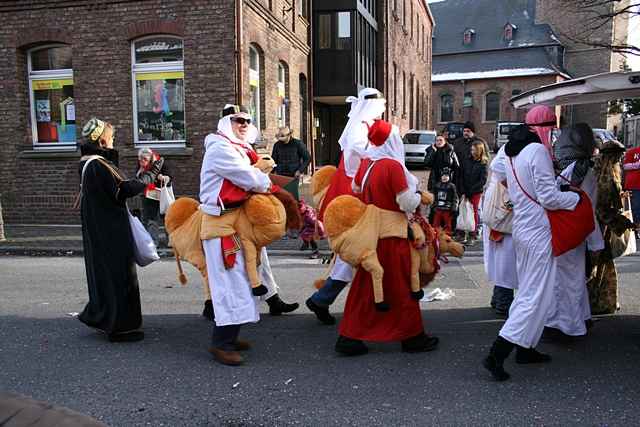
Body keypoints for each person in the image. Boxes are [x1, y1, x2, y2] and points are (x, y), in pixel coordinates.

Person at [482, 107, 581, 382]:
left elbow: (500, 173)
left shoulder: (512, 149)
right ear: (546, 127)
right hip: (539, 231)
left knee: (529, 291)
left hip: (523, 230)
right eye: (553, 128)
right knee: (533, 296)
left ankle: (526, 348)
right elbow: (549, 198)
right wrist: (575, 200)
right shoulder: (537, 151)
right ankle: (496, 354)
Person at [200, 105, 297, 366]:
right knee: (229, 285)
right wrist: (279, 192)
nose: (243, 124)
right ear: (225, 123)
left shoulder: (237, 149)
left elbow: (253, 173)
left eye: (246, 120)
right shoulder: (221, 148)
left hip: (235, 222)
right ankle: (220, 343)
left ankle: (230, 337)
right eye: (237, 120)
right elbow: (247, 177)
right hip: (221, 225)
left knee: (241, 282)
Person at [336, 119, 438, 355]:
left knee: (365, 285)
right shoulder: (392, 166)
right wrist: (418, 193)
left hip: (371, 232)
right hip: (393, 234)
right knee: (403, 284)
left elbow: (356, 190)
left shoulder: (367, 163)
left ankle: (350, 336)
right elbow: (406, 202)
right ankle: (412, 336)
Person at [78, 118, 164, 343]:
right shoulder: (98, 164)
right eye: (112, 137)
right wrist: (152, 172)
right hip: (111, 232)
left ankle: (104, 318)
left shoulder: (88, 163)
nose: (114, 140)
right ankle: (121, 328)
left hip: (100, 230)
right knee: (119, 277)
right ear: (103, 140)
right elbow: (125, 189)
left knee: (104, 276)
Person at [305, 87, 386, 325]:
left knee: (355, 256)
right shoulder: (360, 128)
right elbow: (365, 153)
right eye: (380, 104)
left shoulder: (362, 125)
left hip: (356, 196)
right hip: (354, 199)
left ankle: (324, 299)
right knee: (358, 254)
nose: (382, 109)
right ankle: (362, 307)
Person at [544, 123, 604, 338]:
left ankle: (564, 325)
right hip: (575, 234)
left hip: (568, 232)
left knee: (566, 281)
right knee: (573, 278)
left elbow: (583, 204)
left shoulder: (576, 169)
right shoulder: (582, 168)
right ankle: (579, 319)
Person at [588, 139, 634, 315]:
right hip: (599, 228)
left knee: (602, 266)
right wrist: (622, 222)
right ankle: (597, 304)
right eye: (619, 156)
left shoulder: (601, 170)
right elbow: (602, 208)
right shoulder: (606, 175)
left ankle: (601, 303)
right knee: (597, 266)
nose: (621, 160)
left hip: (601, 227)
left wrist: (621, 195)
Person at [482, 145, 518, 316]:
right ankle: (503, 301)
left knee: (502, 262)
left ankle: (499, 299)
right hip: (503, 217)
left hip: (499, 216)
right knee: (506, 262)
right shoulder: (503, 166)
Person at [452, 121, 488, 239]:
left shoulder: (480, 143)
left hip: (475, 184)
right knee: (461, 207)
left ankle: (475, 230)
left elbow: (484, 165)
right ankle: (461, 230)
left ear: (473, 132)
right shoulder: (458, 143)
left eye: (468, 131)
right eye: (464, 131)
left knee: (475, 209)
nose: (466, 133)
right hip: (461, 179)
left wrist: (473, 188)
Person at [136, 147, 171, 245]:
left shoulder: (160, 163)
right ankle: (153, 244)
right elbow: (138, 180)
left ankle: (170, 244)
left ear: (151, 159)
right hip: (148, 197)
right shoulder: (140, 165)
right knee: (151, 220)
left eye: (145, 159)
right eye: (140, 159)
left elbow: (170, 177)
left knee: (166, 219)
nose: (142, 161)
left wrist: (164, 178)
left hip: (161, 195)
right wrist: (141, 171)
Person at [460, 140, 489, 243]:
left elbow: (483, 180)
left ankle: (473, 233)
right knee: (464, 211)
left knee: (474, 211)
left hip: (476, 191)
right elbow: (462, 175)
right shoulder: (467, 160)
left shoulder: (483, 163)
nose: (471, 152)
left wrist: (471, 190)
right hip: (466, 189)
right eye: (471, 149)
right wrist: (464, 189)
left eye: (474, 150)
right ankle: (464, 232)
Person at [431, 167, 458, 234]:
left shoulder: (452, 186)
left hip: (448, 209)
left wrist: (454, 207)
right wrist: (433, 205)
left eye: (446, 176)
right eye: (443, 175)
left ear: (450, 177)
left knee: (448, 223)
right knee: (436, 222)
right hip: (438, 208)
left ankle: (447, 234)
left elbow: (455, 197)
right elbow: (434, 196)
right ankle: (435, 233)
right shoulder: (437, 185)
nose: (444, 177)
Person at [622, 142, 640, 228]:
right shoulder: (632, 152)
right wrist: (637, 165)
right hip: (634, 185)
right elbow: (625, 166)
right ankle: (635, 228)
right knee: (635, 208)